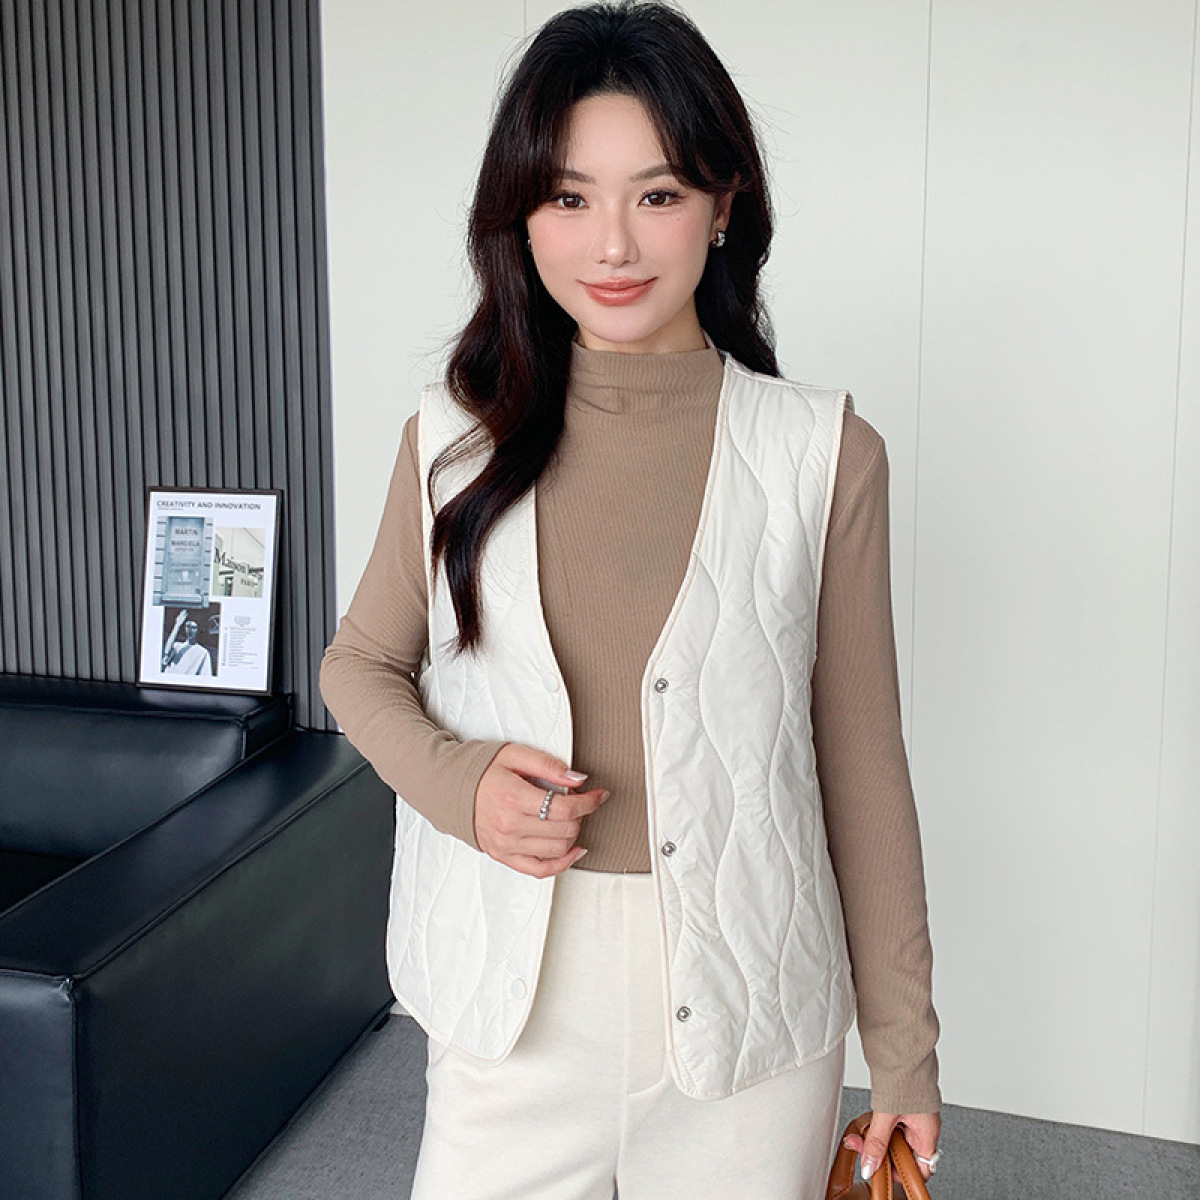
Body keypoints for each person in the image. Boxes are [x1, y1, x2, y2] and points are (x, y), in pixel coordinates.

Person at [321, 4, 943, 1196]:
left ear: (724, 203)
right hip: (510, 1000)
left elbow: (862, 761)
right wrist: (460, 786)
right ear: (521, 217)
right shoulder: (452, 439)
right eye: (568, 197)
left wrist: (905, 1050)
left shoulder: (824, 455)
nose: (611, 244)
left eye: (657, 194)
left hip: (749, 1018)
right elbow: (360, 664)